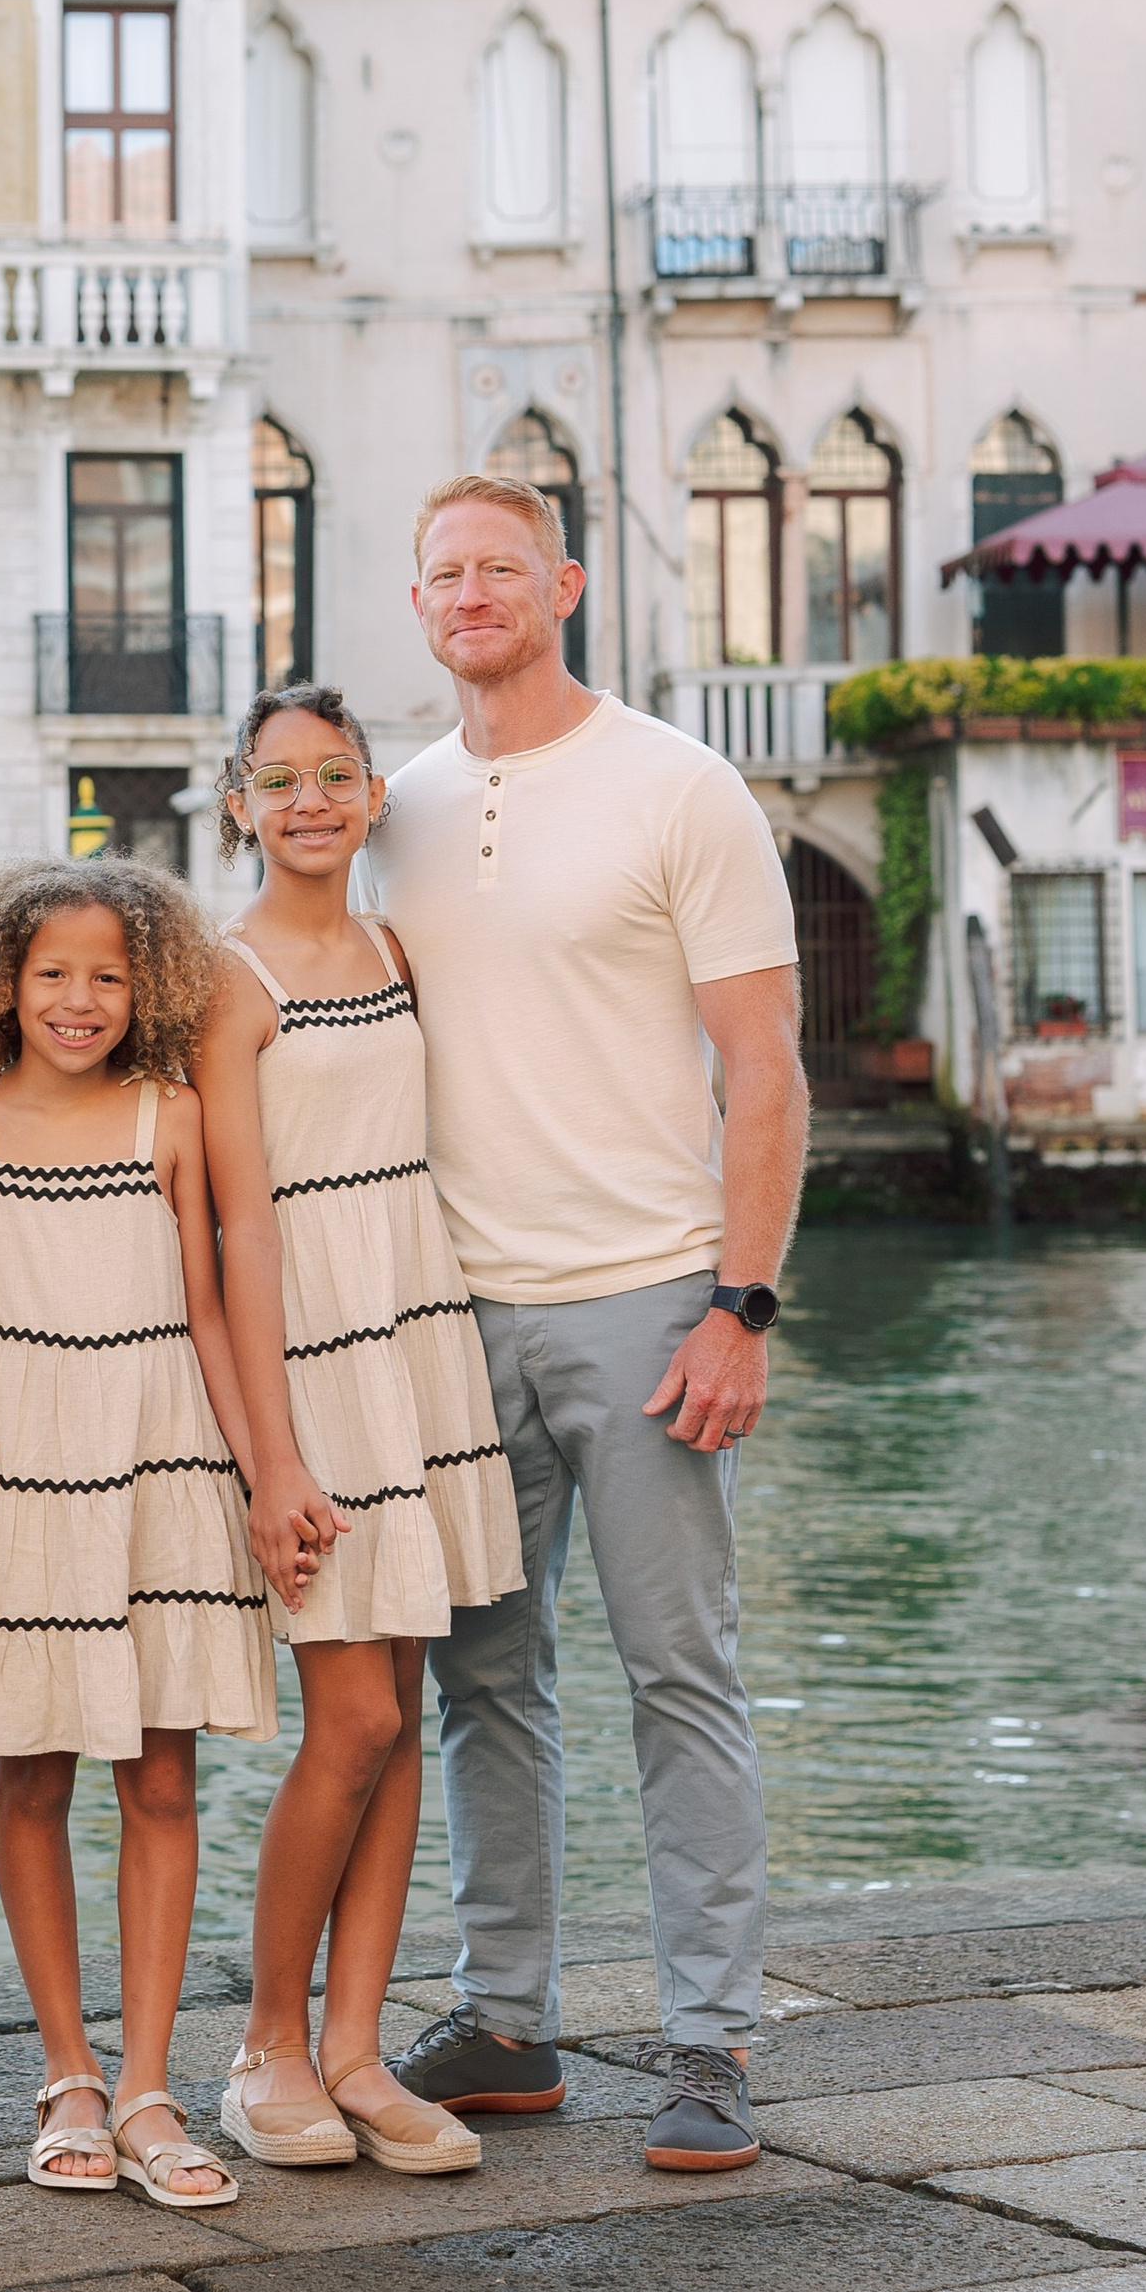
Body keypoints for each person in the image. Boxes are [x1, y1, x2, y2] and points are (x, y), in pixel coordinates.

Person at [371, 472, 806, 2174]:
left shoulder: (677, 785)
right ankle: (509, 2019)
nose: (469, 591)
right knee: (483, 1679)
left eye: (498, 565)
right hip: (453, 1306)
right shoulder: (395, 806)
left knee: (679, 1674)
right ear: (419, 606)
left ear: (561, 582)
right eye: (441, 571)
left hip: (645, 1305)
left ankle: (711, 2039)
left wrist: (740, 1307)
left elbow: (764, 1071)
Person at [195, 682, 522, 2177]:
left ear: (373, 795)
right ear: (240, 805)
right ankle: (267, 2046)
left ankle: (355, 2049)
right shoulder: (226, 975)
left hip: (416, 1335)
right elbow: (232, 1226)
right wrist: (272, 1458)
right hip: (311, 1361)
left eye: (336, 775)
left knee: (397, 1720)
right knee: (361, 1719)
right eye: (282, 781)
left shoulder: (395, 949)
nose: (312, 801)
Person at [0, 859, 273, 2211]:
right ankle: (66, 2072)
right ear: (4, 983)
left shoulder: (169, 1115)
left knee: (165, 1782)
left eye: (110, 977)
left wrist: (263, 1477)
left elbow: (203, 1310)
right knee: (31, 1781)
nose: (80, 1001)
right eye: (54, 974)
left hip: (163, 1468)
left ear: (153, 990)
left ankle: (147, 2086)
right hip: (24, 1482)